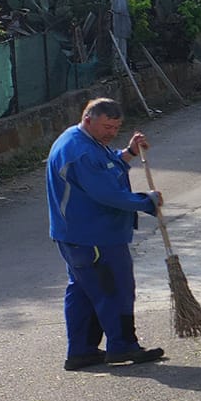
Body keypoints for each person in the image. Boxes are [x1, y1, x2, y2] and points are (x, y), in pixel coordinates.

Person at [46, 97, 166, 369]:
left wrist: (128, 153)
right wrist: (146, 202)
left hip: (76, 236)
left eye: (116, 127)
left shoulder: (82, 140)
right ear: (88, 119)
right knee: (114, 289)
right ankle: (122, 346)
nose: (111, 133)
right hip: (94, 236)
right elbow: (107, 193)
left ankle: (81, 351)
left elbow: (106, 167)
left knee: (85, 291)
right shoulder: (81, 151)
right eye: (107, 127)